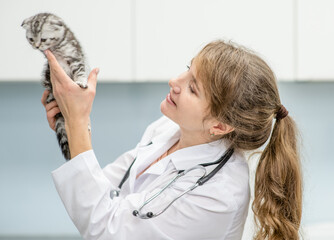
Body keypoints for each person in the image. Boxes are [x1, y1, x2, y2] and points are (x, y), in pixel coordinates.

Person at [41, 40, 302, 240]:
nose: (174, 81)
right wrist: (74, 124)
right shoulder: (168, 129)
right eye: (188, 69)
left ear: (220, 125)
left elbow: (107, 230)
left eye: (192, 88)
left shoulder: (218, 194)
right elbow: (107, 192)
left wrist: (76, 124)